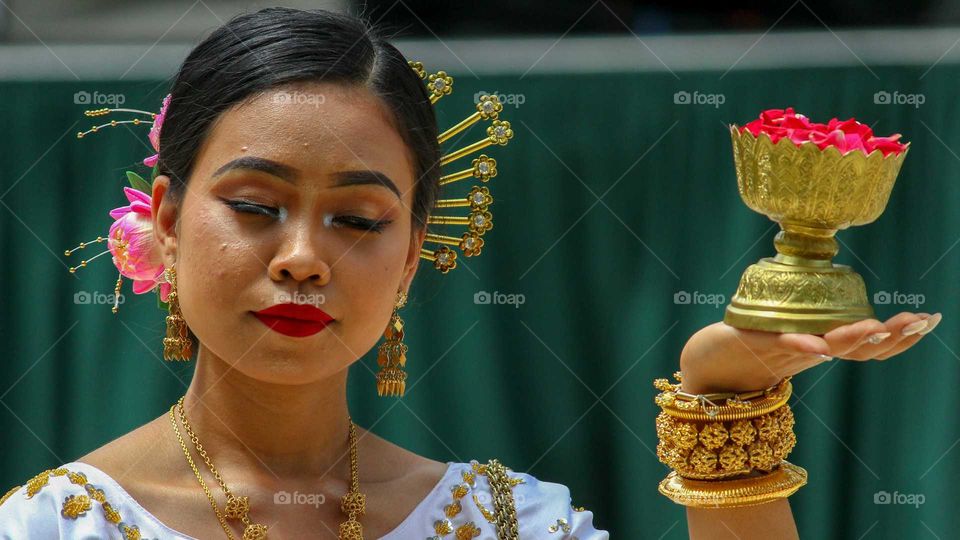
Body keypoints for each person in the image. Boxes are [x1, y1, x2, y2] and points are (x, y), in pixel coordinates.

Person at [0, 6, 939, 539]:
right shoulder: (50, 529)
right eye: (254, 204)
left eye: (359, 219)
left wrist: (724, 404)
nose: (302, 257)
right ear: (164, 222)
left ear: (410, 257)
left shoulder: (509, 524)